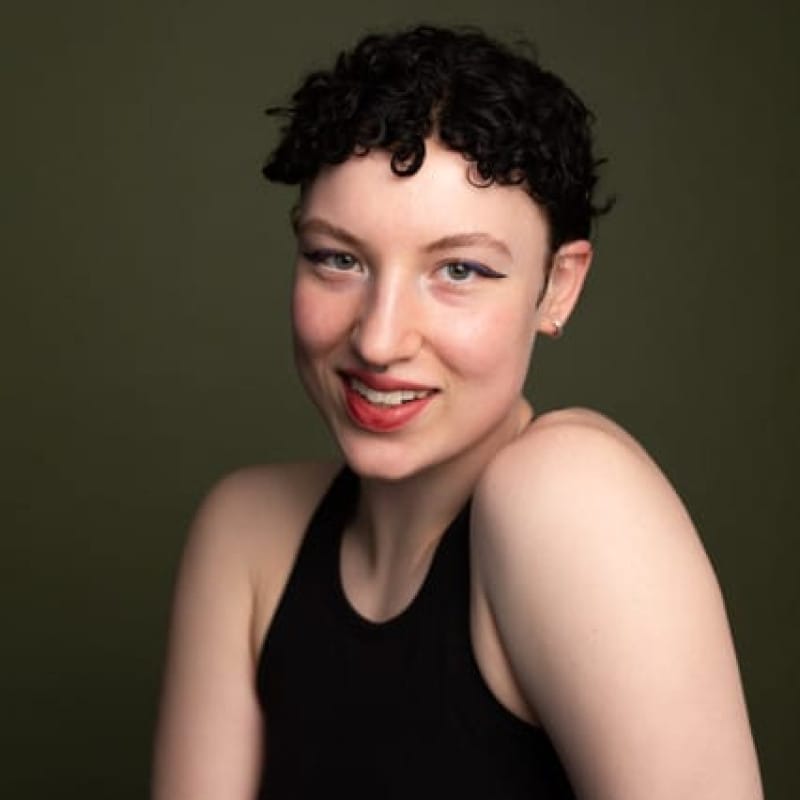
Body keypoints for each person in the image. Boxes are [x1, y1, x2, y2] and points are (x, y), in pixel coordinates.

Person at [152, 25, 763, 800]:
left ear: (558, 286)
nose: (379, 340)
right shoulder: (245, 535)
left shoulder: (573, 495)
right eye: (338, 258)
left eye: (461, 271)